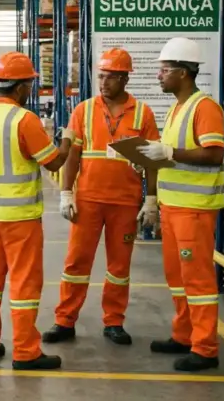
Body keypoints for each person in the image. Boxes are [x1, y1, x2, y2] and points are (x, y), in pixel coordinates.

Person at [42, 48, 160, 346]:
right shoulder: (83, 110)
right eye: (101, 76)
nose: (103, 83)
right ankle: (64, 320)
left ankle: (114, 322)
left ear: (125, 79)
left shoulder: (143, 113)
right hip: (88, 201)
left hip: (125, 202)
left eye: (110, 77)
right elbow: (72, 155)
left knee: (119, 267)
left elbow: (152, 160)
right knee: (76, 263)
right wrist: (66, 193)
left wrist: (151, 199)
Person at [0, 51, 74, 370]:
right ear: (22, 86)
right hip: (20, 219)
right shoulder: (24, 120)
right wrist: (67, 140)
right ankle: (26, 352)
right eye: (30, 85)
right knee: (24, 285)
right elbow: (53, 162)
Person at [136, 37, 224, 372]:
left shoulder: (205, 108)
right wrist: (148, 158)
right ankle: (184, 334)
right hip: (174, 208)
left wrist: (169, 152)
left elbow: (213, 154)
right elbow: (173, 158)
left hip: (194, 209)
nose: (159, 75)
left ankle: (205, 348)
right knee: (178, 277)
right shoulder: (177, 109)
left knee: (198, 280)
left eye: (165, 70)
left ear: (184, 72)